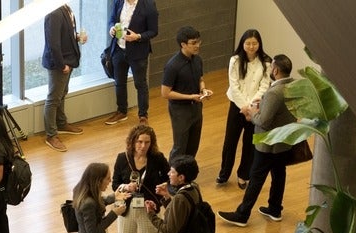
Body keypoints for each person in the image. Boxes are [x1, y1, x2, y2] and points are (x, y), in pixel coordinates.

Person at [217, 54, 298, 227]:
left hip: (268, 144)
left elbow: (264, 121)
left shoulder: (275, 92)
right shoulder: (293, 86)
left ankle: (242, 214)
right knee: (279, 174)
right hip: (283, 142)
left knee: (256, 177)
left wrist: (252, 114)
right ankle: (275, 209)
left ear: (275, 70)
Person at [216, 29, 272, 189]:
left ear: (259, 44)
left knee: (250, 143)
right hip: (237, 105)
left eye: (254, 43)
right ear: (243, 43)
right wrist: (244, 106)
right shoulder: (235, 60)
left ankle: (243, 175)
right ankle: (224, 173)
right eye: (248, 43)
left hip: (255, 107)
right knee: (230, 141)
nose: (251, 46)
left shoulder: (266, 61)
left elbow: (264, 85)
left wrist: (252, 105)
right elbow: (234, 86)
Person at [104, 0, 159, 126]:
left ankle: (143, 115)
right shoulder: (118, 2)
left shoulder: (148, 5)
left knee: (140, 84)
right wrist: (111, 27)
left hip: (138, 52)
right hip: (118, 49)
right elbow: (112, 19)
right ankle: (121, 111)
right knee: (119, 82)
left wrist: (138, 36)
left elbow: (153, 31)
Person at [161, 26, 211, 161]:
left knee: (193, 144)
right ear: (183, 44)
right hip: (180, 111)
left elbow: (200, 79)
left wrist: (203, 89)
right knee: (180, 146)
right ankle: (173, 177)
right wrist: (190, 97)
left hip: (196, 107)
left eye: (198, 42)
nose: (197, 45)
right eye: (193, 43)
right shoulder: (172, 65)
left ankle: (187, 175)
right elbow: (165, 93)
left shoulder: (198, 60)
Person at [42, 3, 86, 152]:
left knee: (62, 94)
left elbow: (66, 33)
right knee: (53, 98)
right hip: (60, 64)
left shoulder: (65, 7)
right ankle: (51, 135)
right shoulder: (53, 12)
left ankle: (61, 123)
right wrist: (61, 65)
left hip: (68, 60)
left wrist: (77, 37)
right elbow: (53, 44)